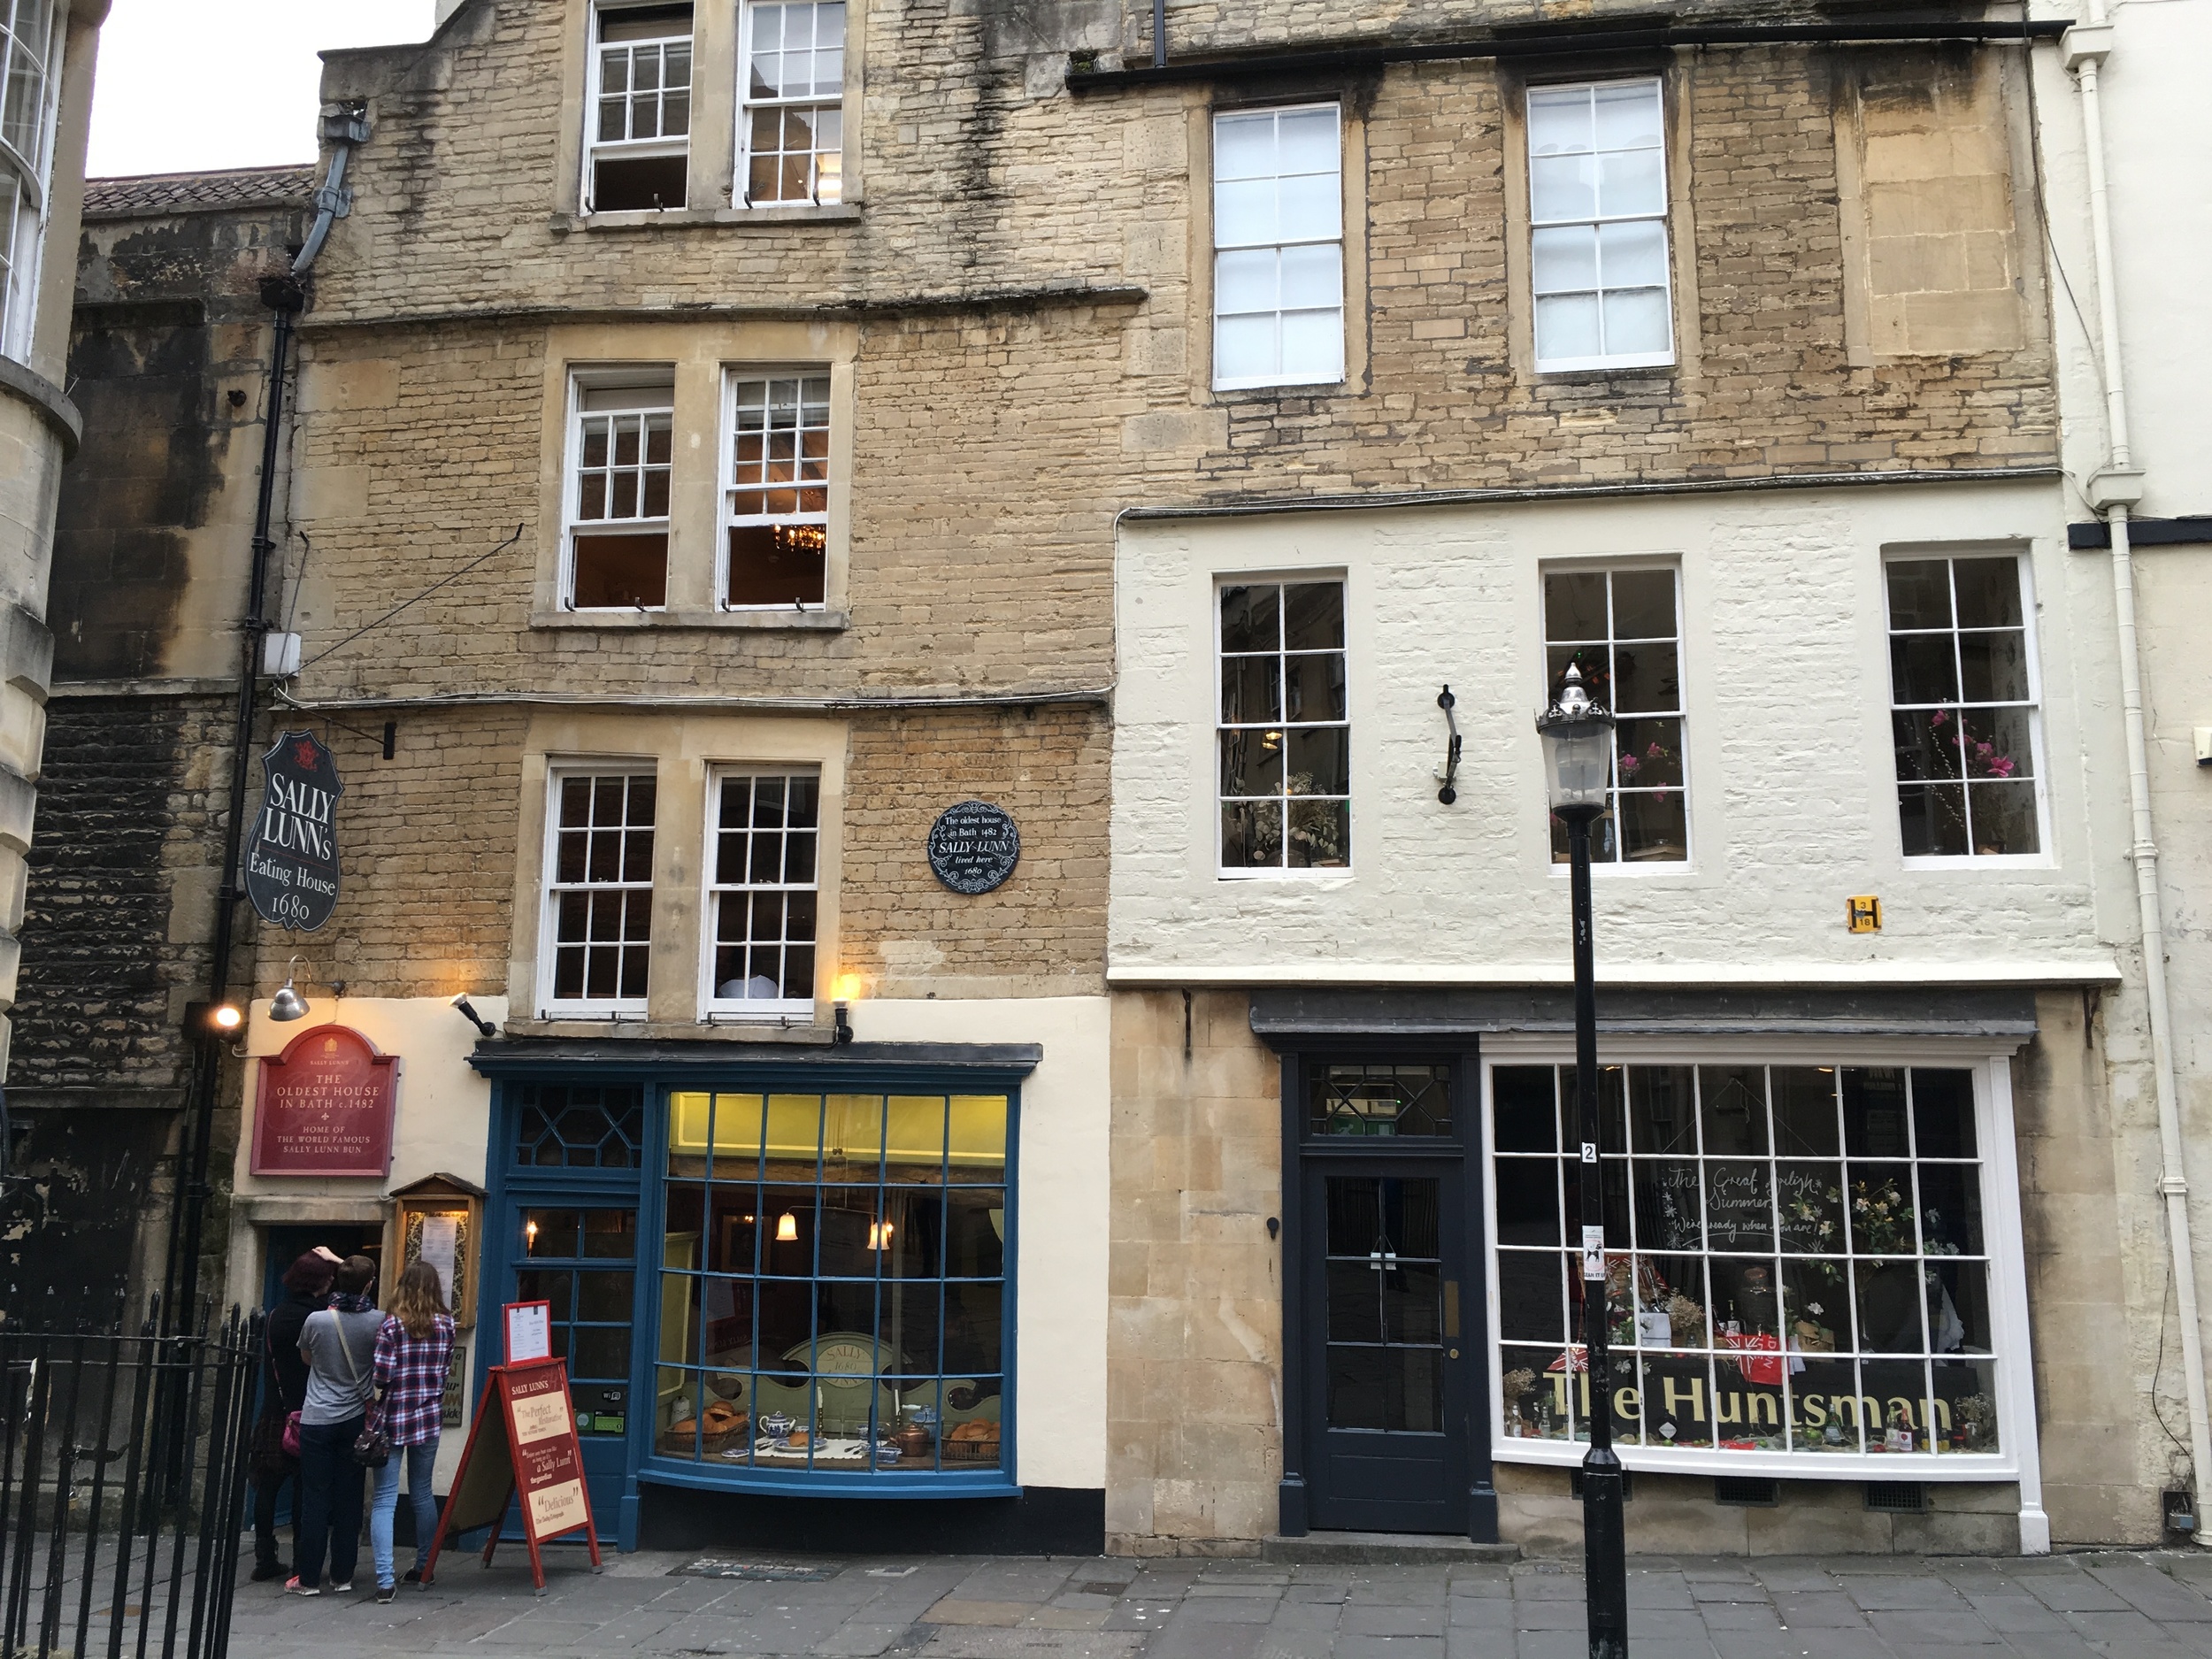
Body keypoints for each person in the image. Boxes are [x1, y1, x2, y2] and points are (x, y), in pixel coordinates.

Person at [290, 1254, 380, 1596]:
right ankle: (342, 1576)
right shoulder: (379, 1321)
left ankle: (309, 1578)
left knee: (314, 1498)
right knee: (349, 1499)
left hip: (317, 1418)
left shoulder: (316, 1320)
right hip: (354, 1417)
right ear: (369, 1285)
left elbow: (306, 1358)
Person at [369, 1261, 455, 1601]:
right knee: (422, 1492)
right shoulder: (447, 1325)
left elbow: (381, 1376)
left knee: (385, 1499)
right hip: (428, 1417)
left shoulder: (391, 1326)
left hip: (392, 1418)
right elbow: (445, 1369)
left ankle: (385, 1579)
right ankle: (424, 1567)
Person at [251, 1252, 334, 1581]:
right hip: (309, 1413)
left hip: (276, 1410)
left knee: (267, 1486)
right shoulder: (322, 1317)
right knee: (306, 1490)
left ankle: (264, 1557)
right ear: (319, 1282)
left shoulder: (276, 1316)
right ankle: (303, 1561)